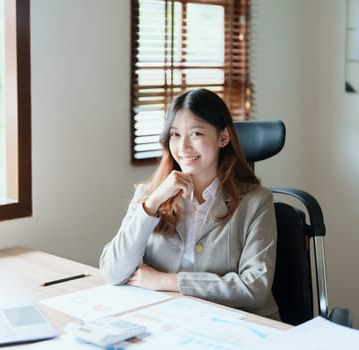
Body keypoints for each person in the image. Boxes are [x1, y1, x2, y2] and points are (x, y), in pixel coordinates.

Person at [99, 88, 279, 319]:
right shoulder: (150, 194)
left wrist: (166, 281)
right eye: (175, 134)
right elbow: (114, 272)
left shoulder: (256, 201)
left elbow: (255, 288)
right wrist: (152, 203)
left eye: (195, 134)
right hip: (171, 320)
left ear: (223, 137)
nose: (183, 147)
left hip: (238, 324)